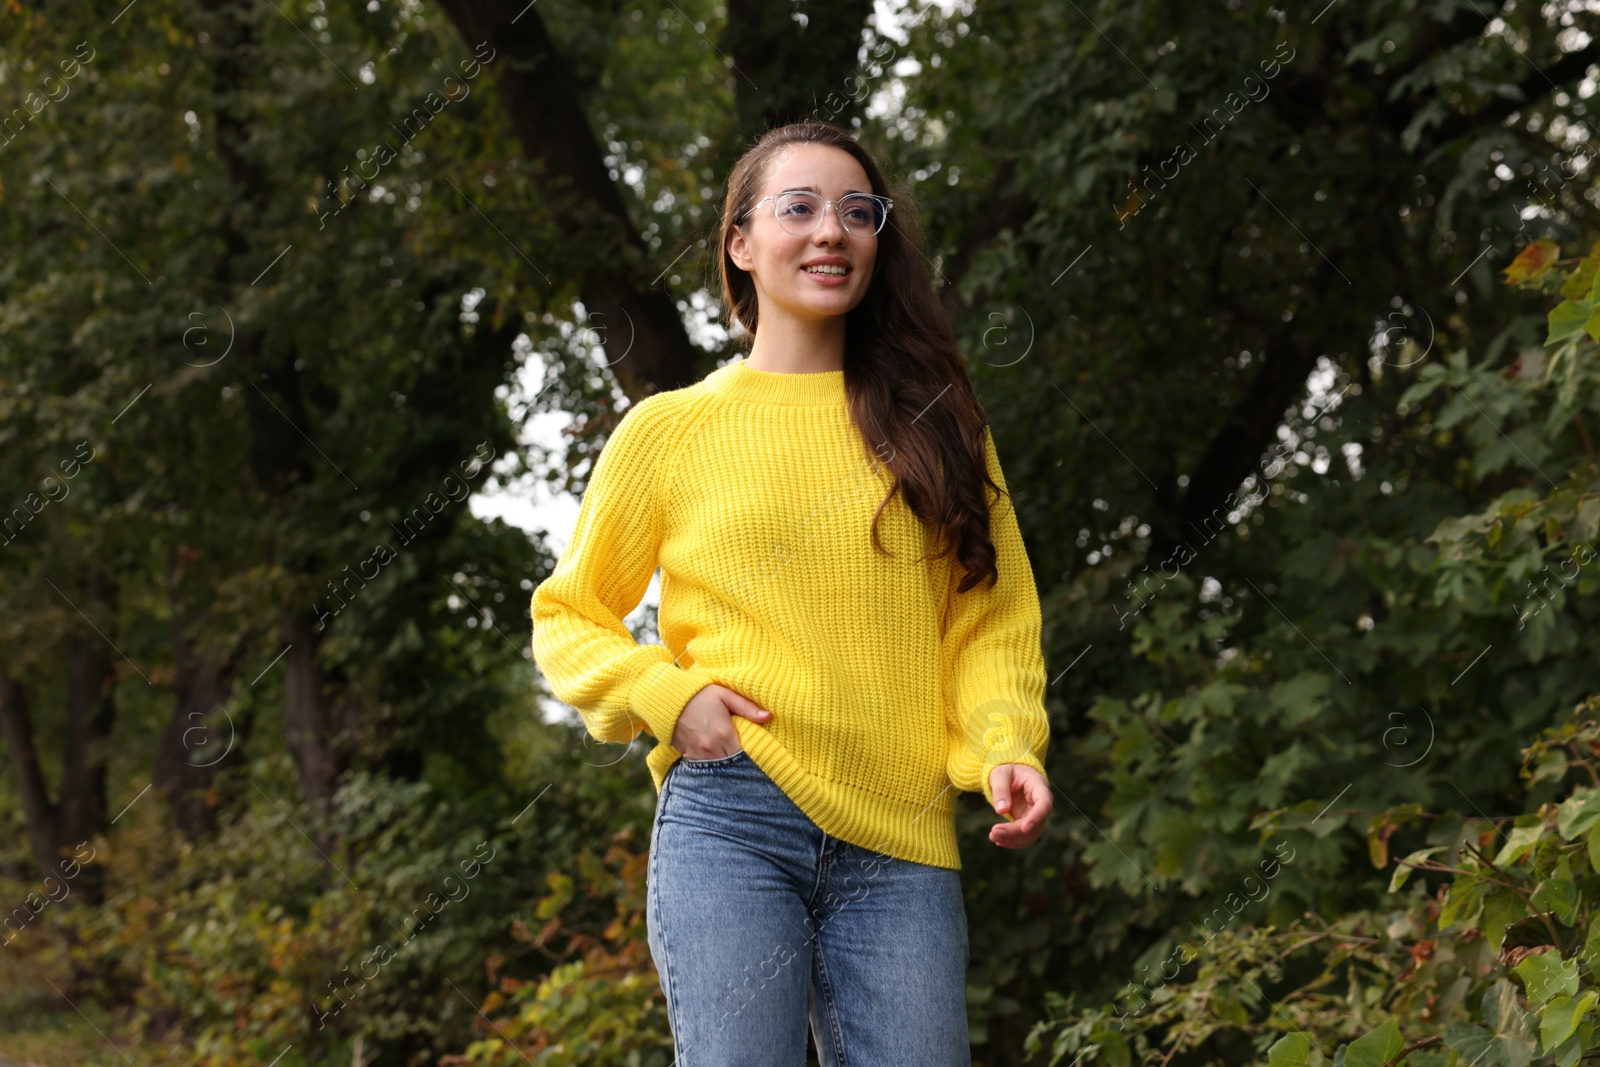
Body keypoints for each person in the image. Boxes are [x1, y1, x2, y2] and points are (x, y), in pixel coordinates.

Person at [530, 119, 1052, 1067]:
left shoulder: (941, 427)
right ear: (739, 241)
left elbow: (989, 617)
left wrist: (1003, 743)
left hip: (901, 834)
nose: (832, 231)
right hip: (732, 816)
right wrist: (667, 695)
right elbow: (568, 614)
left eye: (859, 212)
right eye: (800, 207)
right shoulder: (669, 430)